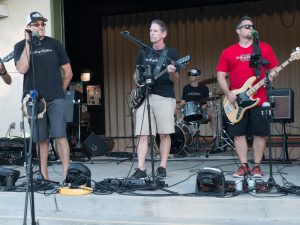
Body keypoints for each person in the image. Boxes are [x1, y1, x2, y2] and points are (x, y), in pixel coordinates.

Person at [14, 11, 73, 181]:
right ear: (29, 27)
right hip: (34, 100)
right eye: (36, 24)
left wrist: (59, 92)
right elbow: (22, 69)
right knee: (41, 139)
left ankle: (67, 174)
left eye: (42, 24)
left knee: (60, 135)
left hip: (55, 98)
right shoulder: (20, 47)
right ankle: (44, 176)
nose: (41, 27)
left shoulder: (55, 44)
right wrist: (28, 42)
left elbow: (68, 72)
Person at [216, 16, 278, 178]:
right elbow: (221, 75)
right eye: (246, 26)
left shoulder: (264, 48)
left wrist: (271, 77)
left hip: (260, 98)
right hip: (237, 99)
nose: (250, 28)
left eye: (252, 26)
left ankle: (256, 166)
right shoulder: (228, 51)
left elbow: (274, 69)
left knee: (260, 133)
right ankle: (243, 165)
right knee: (238, 133)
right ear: (238, 31)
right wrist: (228, 93)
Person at [131, 19, 179, 179]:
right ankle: (141, 168)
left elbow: (175, 79)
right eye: (151, 30)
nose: (152, 33)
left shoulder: (171, 53)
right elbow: (136, 74)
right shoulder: (144, 51)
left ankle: (162, 167)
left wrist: (172, 71)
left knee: (164, 134)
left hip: (164, 96)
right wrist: (137, 80)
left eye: (155, 31)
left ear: (164, 34)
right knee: (142, 134)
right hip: (145, 96)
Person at [179, 68, 217, 137]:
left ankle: (215, 137)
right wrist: (180, 105)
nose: (190, 76)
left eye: (192, 75)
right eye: (189, 75)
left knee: (213, 115)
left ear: (198, 77)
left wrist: (204, 106)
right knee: (180, 122)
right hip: (188, 113)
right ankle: (187, 140)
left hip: (201, 112)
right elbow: (183, 101)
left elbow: (206, 103)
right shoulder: (186, 88)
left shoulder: (204, 88)